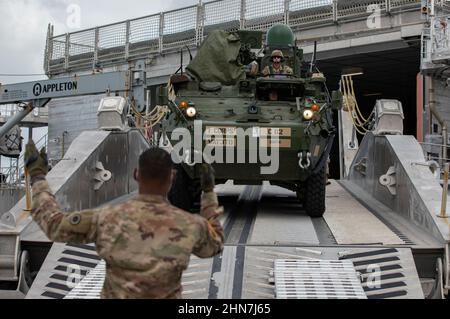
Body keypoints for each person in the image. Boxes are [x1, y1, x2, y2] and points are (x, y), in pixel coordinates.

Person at [25, 142, 224, 299]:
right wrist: (208, 192)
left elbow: (54, 224)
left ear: (136, 174)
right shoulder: (190, 225)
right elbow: (215, 244)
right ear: (172, 177)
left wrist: (38, 176)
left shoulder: (106, 217)